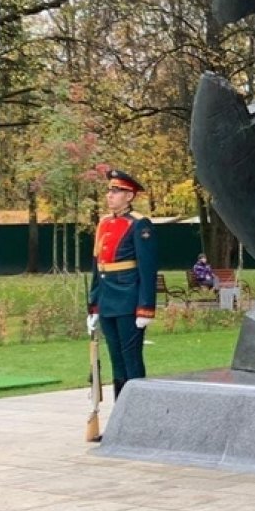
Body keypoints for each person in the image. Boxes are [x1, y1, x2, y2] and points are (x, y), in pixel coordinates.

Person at [87, 169, 158, 400]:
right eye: (109, 190)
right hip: (107, 300)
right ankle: (120, 415)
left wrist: (146, 307)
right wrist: (94, 305)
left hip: (129, 301)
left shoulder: (139, 224)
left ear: (129, 196)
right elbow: (98, 268)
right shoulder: (104, 223)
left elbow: (147, 269)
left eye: (116, 191)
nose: (110, 195)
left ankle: (136, 416)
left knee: (131, 360)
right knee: (116, 361)